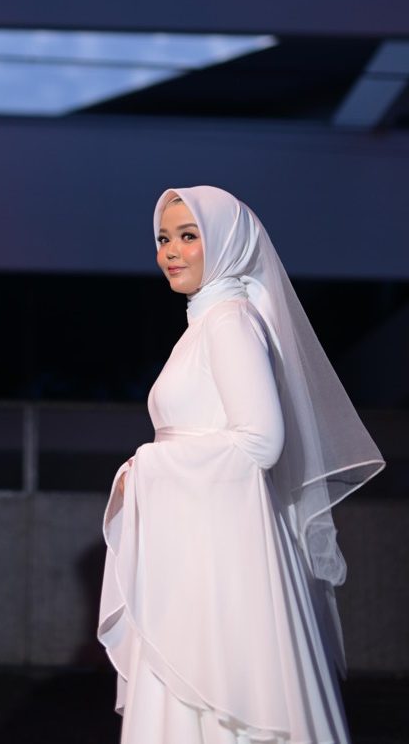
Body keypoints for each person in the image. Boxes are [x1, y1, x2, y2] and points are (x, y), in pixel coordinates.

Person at [98, 185, 385, 744]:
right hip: (201, 541)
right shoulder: (207, 324)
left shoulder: (229, 321)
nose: (170, 251)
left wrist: (147, 466)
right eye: (163, 238)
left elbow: (260, 442)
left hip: (221, 551)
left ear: (226, 242)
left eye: (188, 236)